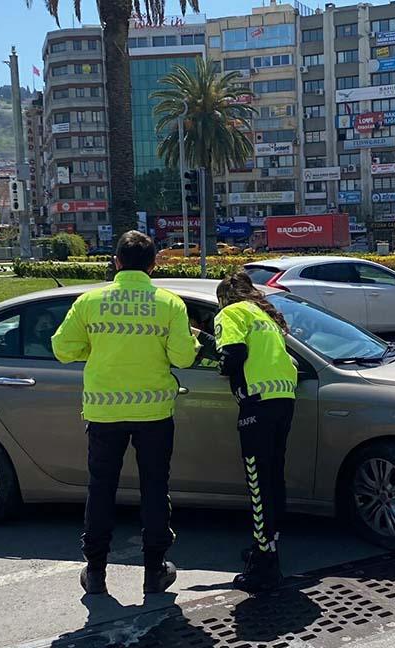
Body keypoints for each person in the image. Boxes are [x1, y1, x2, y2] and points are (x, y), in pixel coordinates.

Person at [51, 230, 200, 597]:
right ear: (154, 264)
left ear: (116, 262)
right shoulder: (168, 303)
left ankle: (96, 572)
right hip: (153, 413)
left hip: (104, 412)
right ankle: (154, 573)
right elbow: (183, 357)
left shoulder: (90, 301)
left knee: (101, 489)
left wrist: (100, 349)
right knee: (154, 488)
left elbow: (62, 349)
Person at [213, 271, 298, 592]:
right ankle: (268, 544)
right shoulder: (264, 316)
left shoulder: (230, 313)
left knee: (257, 482)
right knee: (273, 476)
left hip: (257, 406)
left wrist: (218, 362)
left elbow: (233, 355)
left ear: (224, 298)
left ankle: (265, 565)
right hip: (282, 401)